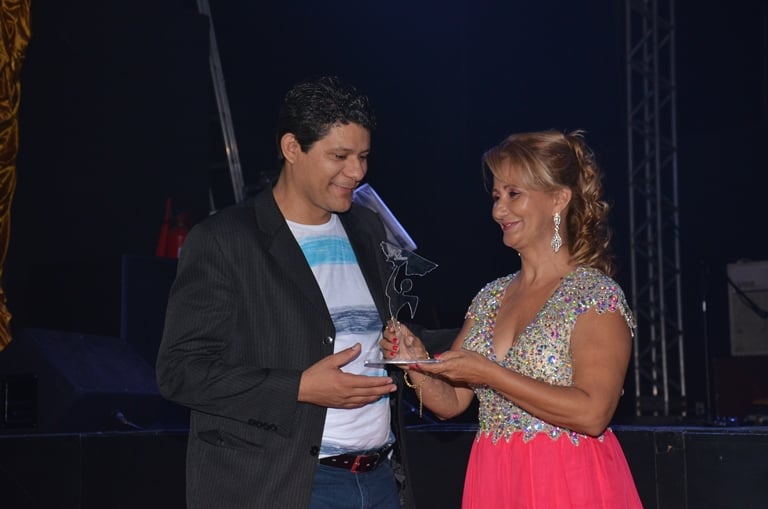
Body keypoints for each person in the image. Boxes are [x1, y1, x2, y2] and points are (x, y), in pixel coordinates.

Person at [156, 76, 416, 509]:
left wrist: (408, 349)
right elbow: (180, 371)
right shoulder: (225, 239)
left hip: (380, 479)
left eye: (364, 156)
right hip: (286, 484)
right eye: (340, 156)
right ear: (292, 148)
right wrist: (298, 387)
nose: (357, 172)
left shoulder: (367, 228)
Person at [381, 130, 643, 508]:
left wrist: (490, 374)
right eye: (496, 196)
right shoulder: (490, 297)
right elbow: (452, 402)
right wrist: (416, 363)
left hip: (567, 483)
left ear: (558, 199)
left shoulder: (594, 295)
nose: (498, 211)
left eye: (513, 194)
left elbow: (592, 413)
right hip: (496, 478)